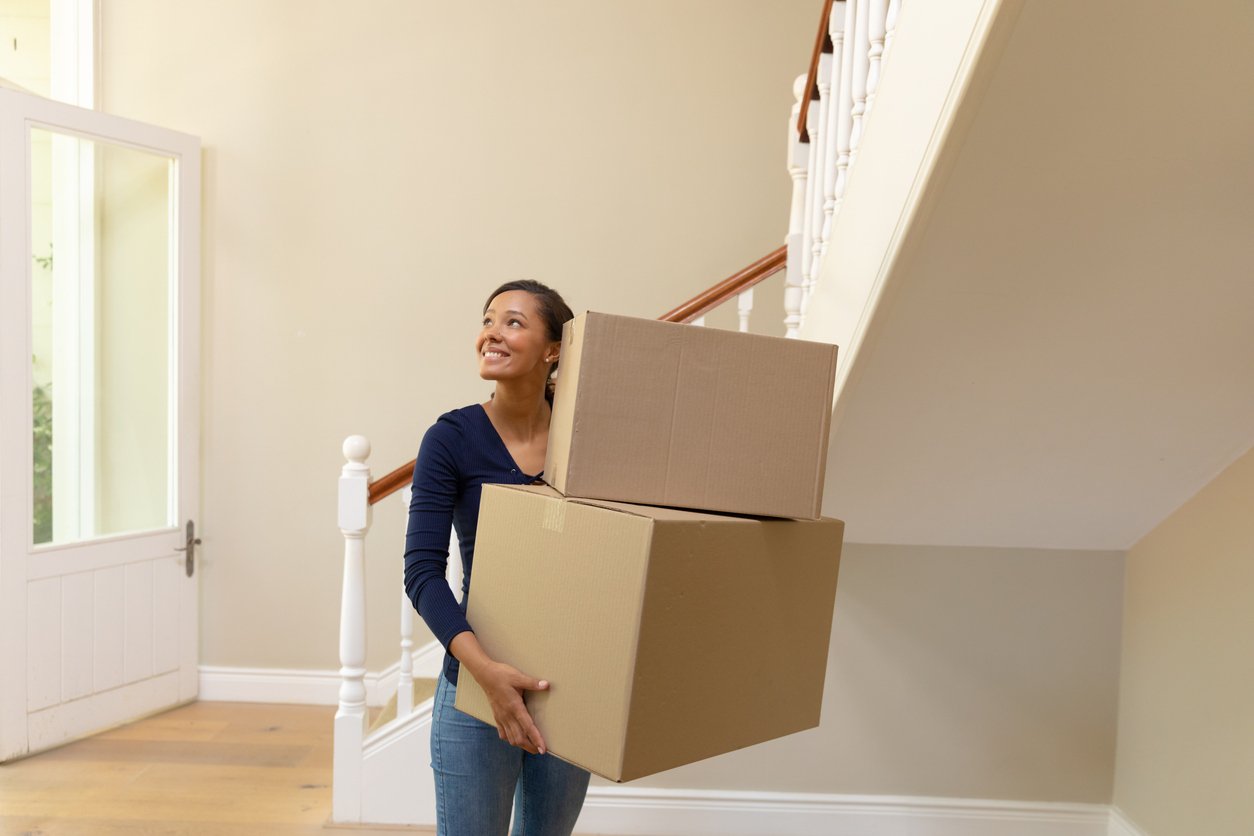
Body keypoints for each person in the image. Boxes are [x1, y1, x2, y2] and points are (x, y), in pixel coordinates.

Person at [404, 280, 590, 836]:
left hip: (568, 682)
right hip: (475, 682)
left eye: (512, 322)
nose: (491, 333)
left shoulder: (587, 434)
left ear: (553, 349)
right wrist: (486, 675)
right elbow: (422, 575)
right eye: (488, 320)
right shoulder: (451, 438)